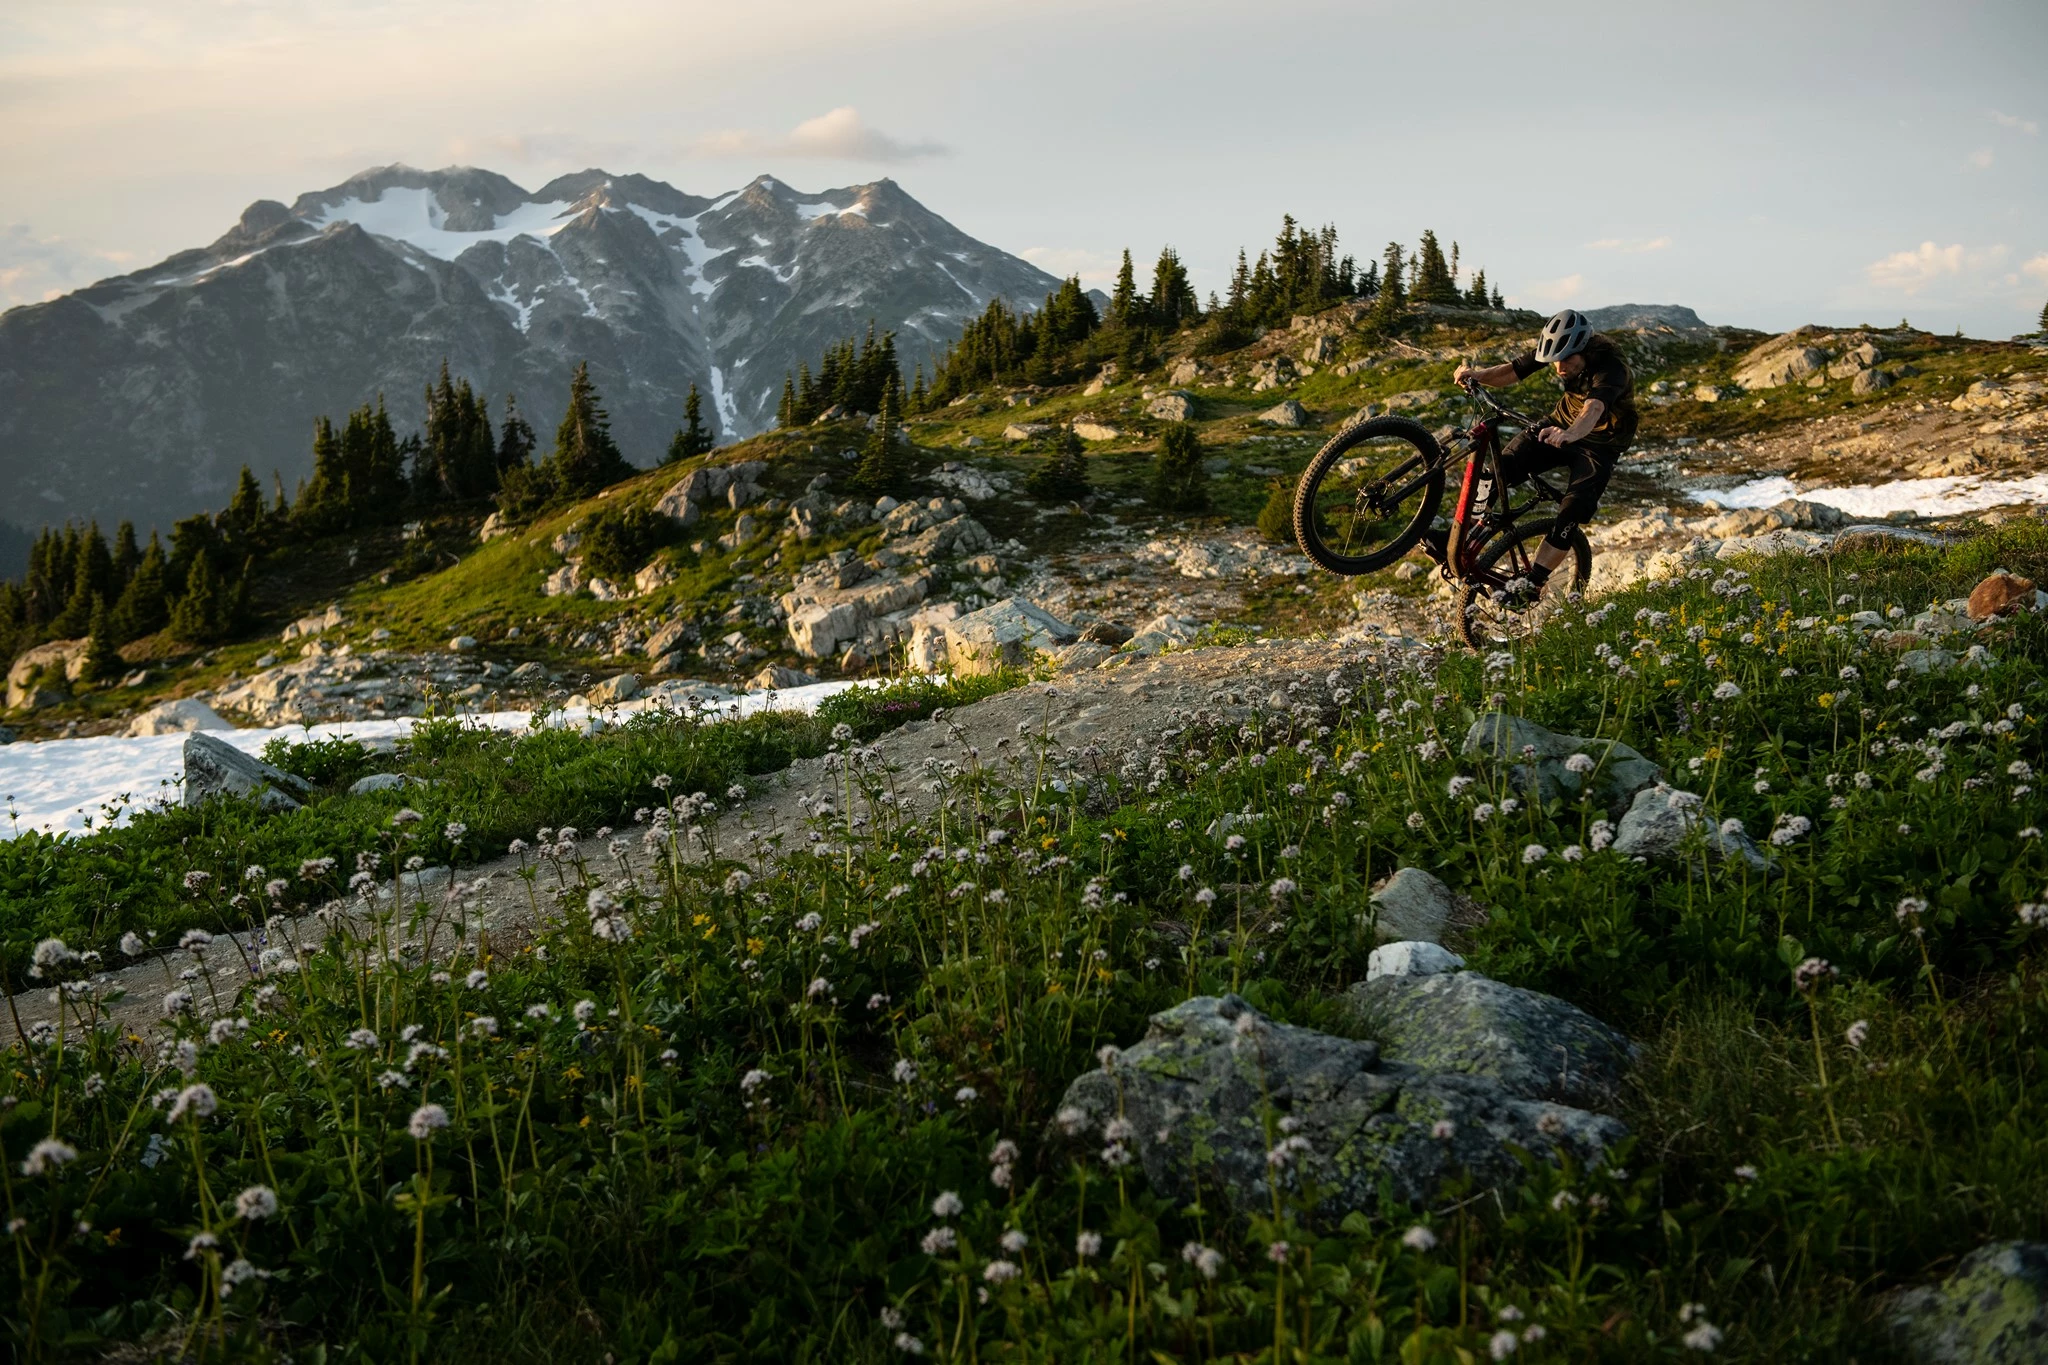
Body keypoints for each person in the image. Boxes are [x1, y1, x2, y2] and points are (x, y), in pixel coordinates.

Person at [1451, 308, 1637, 596]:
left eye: (1567, 360)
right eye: (1554, 361)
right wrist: (1478, 376)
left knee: (1572, 510)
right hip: (1558, 426)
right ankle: (1460, 541)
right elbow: (1513, 370)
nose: (1560, 368)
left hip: (1601, 445)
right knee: (1497, 471)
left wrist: (1571, 434)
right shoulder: (1558, 352)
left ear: (1584, 350)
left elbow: (1594, 408)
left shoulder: (1611, 367)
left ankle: (1533, 583)